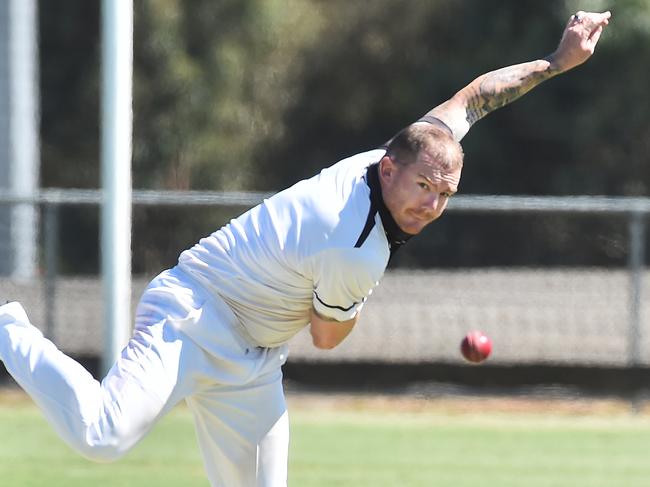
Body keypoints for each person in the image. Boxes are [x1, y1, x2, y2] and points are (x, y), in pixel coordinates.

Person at [0, 10, 610, 486]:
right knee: (103, 436)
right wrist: (355, 303)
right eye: (423, 187)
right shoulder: (354, 248)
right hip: (190, 317)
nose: (431, 204)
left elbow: (476, 96)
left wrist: (557, 61)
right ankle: (7, 327)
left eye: (445, 193)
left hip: (254, 356)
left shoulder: (413, 147)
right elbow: (325, 337)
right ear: (391, 168)